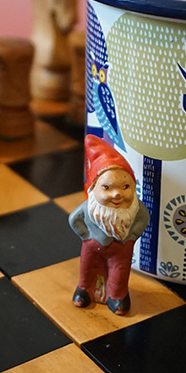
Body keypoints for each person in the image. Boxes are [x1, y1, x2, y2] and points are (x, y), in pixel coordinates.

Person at [69, 135, 149, 315]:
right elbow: (74, 219)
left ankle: (117, 296)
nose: (117, 194)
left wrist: (133, 236)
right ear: (94, 188)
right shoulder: (90, 208)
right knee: (87, 267)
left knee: (120, 271)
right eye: (107, 188)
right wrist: (86, 236)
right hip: (92, 245)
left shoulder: (135, 208)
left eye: (125, 187)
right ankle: (84, 290)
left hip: (122, 247)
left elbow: (144, 218)